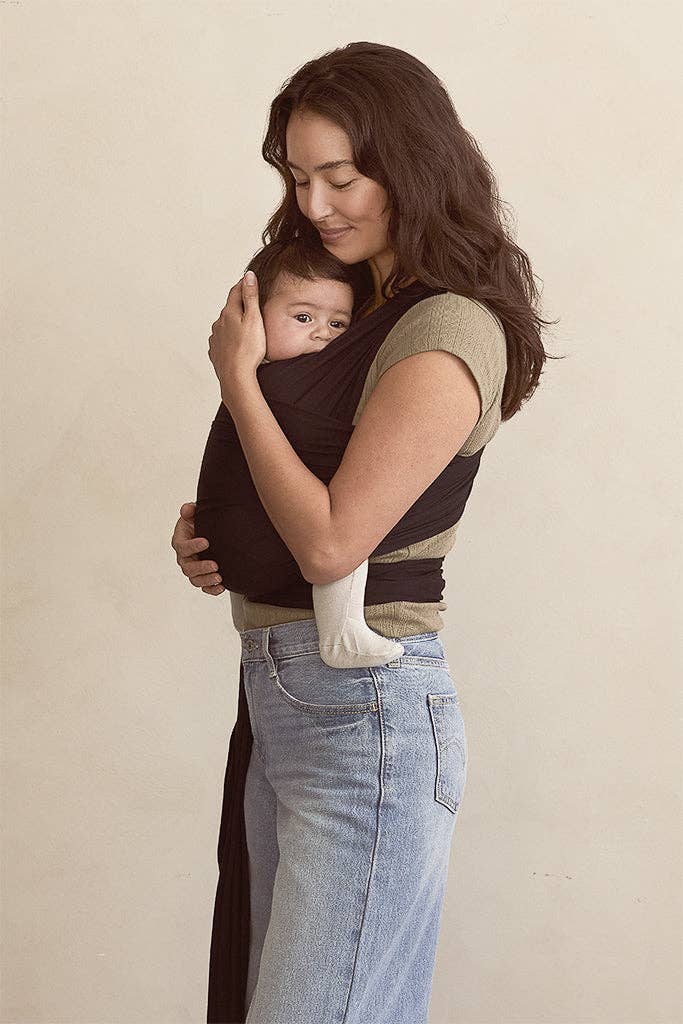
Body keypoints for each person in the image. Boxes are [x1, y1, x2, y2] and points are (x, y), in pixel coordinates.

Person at [171, 40, 555, 1024]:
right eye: (297, 178)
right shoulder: (348, 304)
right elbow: (304, 482)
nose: (314, 205)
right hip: (286, 695)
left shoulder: (447, 329)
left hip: (364, 713)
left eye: (339, 178)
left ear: (410, 165)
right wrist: (219, 530)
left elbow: (334, 544)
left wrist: (236, 379)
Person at [194, 236, 406, 668]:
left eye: (338, 324)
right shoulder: (283, 390)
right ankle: (341, 630)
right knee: (349, 511)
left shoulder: (250, 387)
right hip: (269, 568)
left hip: (241, 581)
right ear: (254, 319)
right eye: (303, 317)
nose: (321, 333)